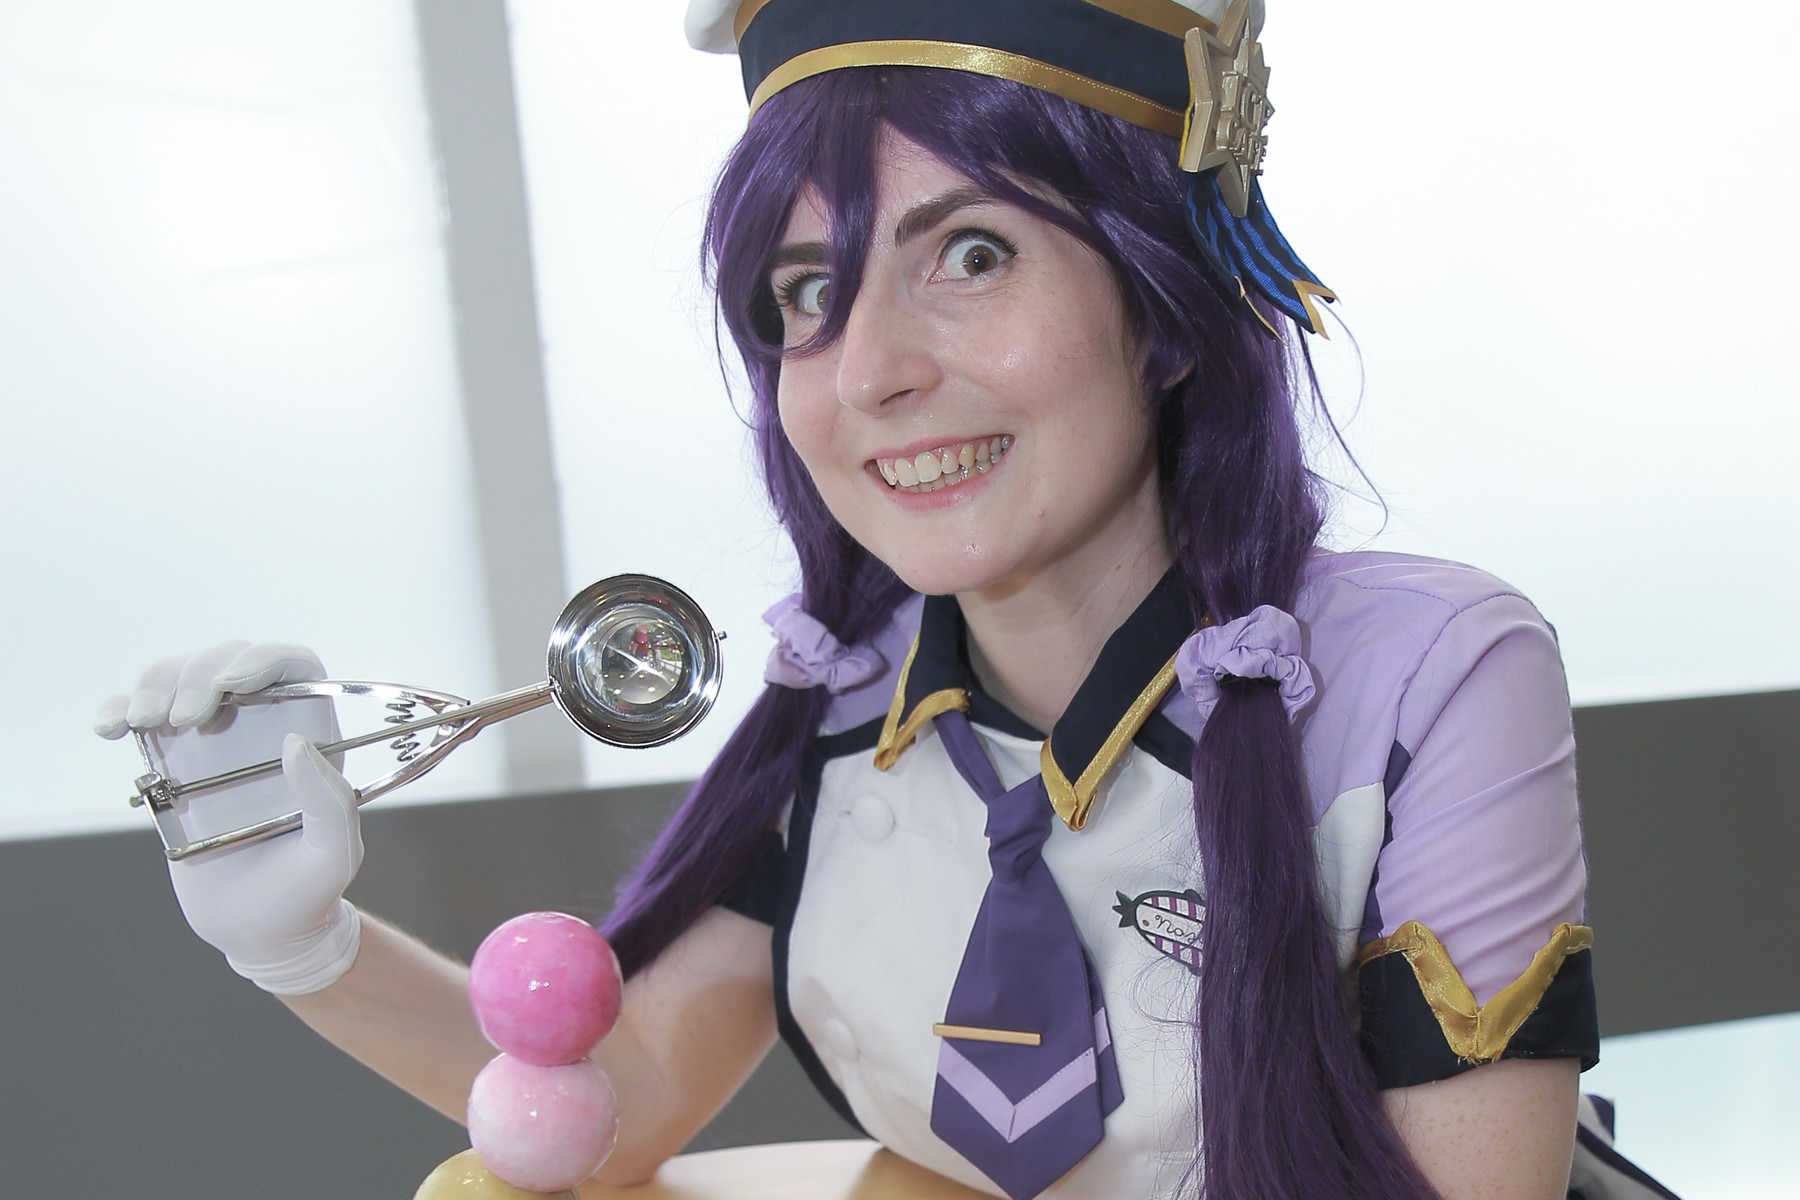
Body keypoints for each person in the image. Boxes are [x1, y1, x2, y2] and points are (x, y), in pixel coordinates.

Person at [95, 2, 1668, 1198]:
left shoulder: (1428, 677)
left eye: (969, 253)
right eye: (806, 291)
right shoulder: (843, 700)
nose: (869, 373)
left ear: (1167, 303)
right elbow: (610, 1100)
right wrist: (302, 944)